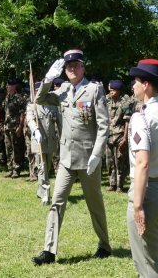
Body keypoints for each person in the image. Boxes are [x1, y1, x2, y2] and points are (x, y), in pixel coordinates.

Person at [32, 49, 111, 265]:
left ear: (83, 67)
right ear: (64, 70)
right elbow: (39, 99)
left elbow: (104, 126)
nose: (72, 69)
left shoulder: (94, 90)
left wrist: (97, 153)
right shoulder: (63, 90)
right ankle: (49, 250)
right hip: (66, 159)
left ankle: (104, 245)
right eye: (68, 67)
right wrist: (48, 79)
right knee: (57, 202)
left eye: (76, 65)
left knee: (95, 205)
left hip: (88, 159)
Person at [127, 59, 158, 277]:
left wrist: (138, 206)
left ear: (146, 84)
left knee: (147, 265)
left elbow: (143, 162)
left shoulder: (142, 116)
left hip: (148, 192)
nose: (133, 86)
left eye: (136, 81)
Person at [26, 81, 58, 205]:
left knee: (47, 167)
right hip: (38, 141)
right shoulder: (32, 105)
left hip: (50, 142)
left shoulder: (52, 105)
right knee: (42, 167)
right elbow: (30, 119)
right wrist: (35, 130)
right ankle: (46, 195)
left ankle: (40, 190)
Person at [106, 79, 131, 192]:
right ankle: (112, 183)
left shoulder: (124, 103)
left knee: (120, 161)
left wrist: (125, 138)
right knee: (109, 161)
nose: (111, 92)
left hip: (120, 136)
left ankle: (120, 185)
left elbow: (127, 122)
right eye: (110, 90)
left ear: (119, 91)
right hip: (108, 136)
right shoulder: (106, 102)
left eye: (114, 90)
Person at [2, 79, 26, 178]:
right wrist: (3, 125)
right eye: (7, 86)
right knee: (8, 148)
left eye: (8, 85)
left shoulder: (19, 98)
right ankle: (10, 168)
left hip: (15, 126)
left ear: (14, 86)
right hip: (7, 126)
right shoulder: (7, 98)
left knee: (16, 148)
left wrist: (20, 127)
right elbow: (6, 112)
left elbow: (22, 114)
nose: (7, 87)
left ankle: (16, 169)